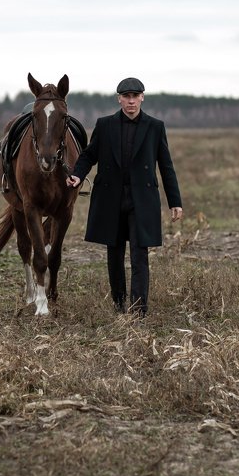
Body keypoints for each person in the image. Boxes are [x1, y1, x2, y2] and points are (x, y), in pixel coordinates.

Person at [66, 77, 183, 316]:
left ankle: (138, 310)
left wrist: (175, 202)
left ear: (142, 97)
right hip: (111, 198)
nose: (131, 101)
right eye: (126, 96)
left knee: (140, 255)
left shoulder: (155, 126)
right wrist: (77, 175)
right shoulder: (105, 125)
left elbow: (166, 166)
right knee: (114, 254)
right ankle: (119, 306)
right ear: (119, 98)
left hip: (142, 199)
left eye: (135, 96)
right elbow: (90, 155)